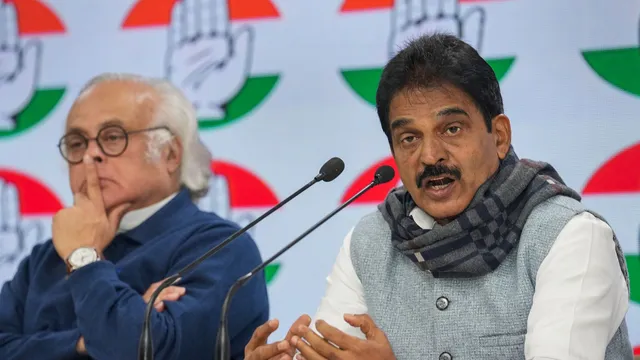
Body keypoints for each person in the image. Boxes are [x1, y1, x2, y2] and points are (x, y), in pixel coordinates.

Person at [243, 33, 634, 360]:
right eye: (409, 138)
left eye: (451, 129)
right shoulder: (371, 241)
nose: (430, 156)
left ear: (498, 136)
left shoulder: (569, 237)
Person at [0, 73, 269, 360]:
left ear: (170, 153)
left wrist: (83, 259)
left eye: (113, 137)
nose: (90, 156)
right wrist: (86, 341)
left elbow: (139, 351)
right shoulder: (46, 257)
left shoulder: (219, 247)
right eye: (77, 143)